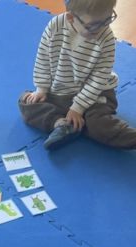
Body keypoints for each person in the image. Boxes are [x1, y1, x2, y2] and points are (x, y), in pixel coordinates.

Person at [18, 0, 136, 151]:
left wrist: (78, 108)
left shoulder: (106, 38)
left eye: (107, 20)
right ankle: (61, 124)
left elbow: (98, 79)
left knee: (98, 124)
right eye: (93, 25)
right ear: (71, 17)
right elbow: (43, 58)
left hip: (95, 95)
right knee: (25, 101)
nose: (101, 29)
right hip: (60, 92)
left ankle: (77, 124)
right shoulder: (55, 26)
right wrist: (41, 89)